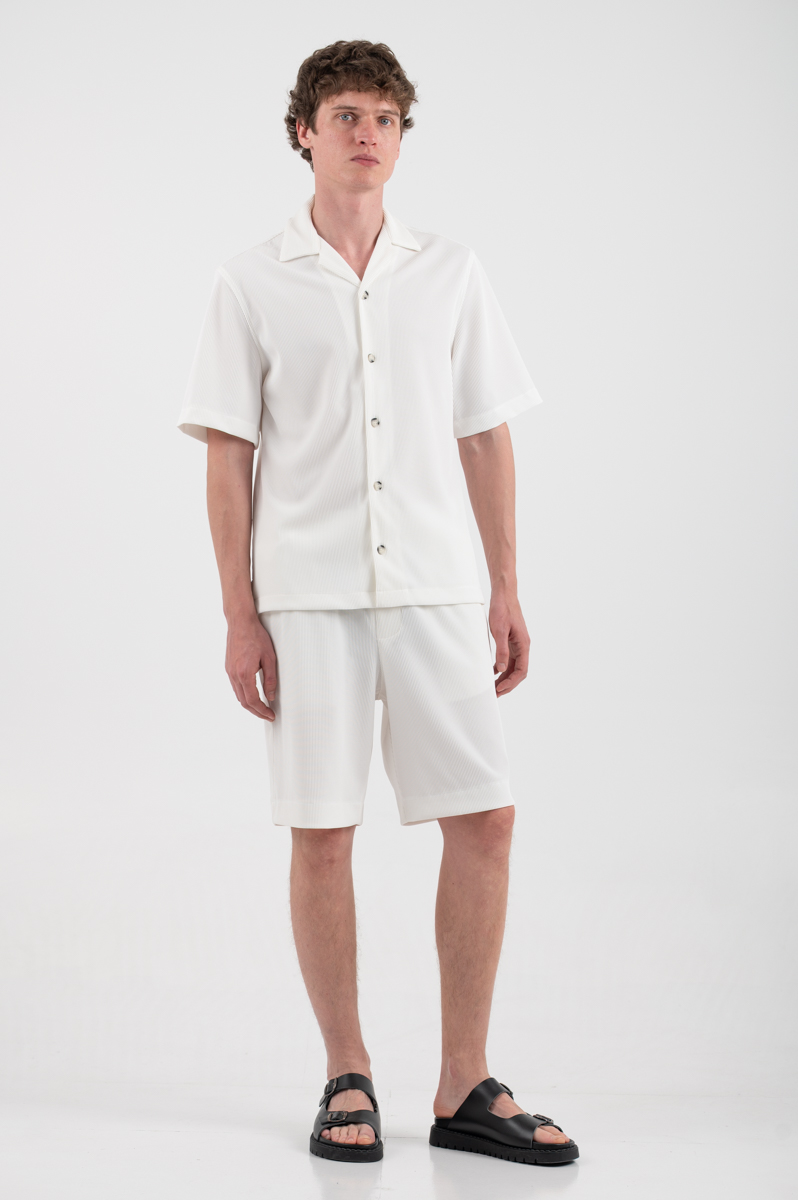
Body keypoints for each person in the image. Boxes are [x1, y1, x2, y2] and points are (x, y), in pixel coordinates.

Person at [178, 39, 578, 1168]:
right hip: (306, 596)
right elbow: (228, 455)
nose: (367, 133)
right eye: (347, 114)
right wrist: (238, 611)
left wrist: (505, 584)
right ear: (303, 131)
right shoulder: (249, 281)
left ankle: (464, 1083)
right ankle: (345, 1071)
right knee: (323, 832)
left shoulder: (449, 271)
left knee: (486, 817)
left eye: (386, 118)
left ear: (402, 138)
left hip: (439, 587)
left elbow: (485, 431)